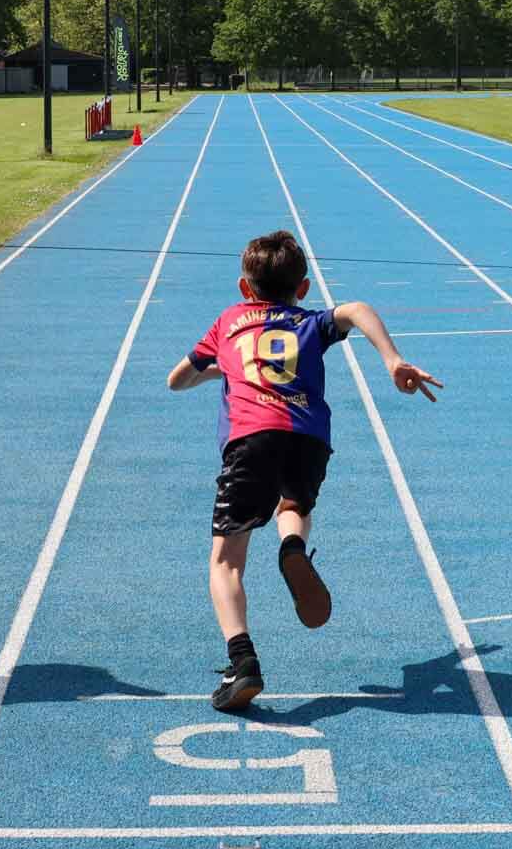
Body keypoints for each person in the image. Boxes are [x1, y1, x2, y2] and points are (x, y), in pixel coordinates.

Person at [166, 230, 440, 713]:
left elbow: (177, 379)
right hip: (309, 438)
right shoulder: (311, 322)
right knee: (293, 503)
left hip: (250, 440)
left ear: (244, 288)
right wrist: (393, 359)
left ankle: (243, 663)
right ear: (304, 288)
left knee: (226, 561)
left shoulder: (228, 322)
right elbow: (356, 309)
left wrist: (220, 368)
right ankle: (292, 545)